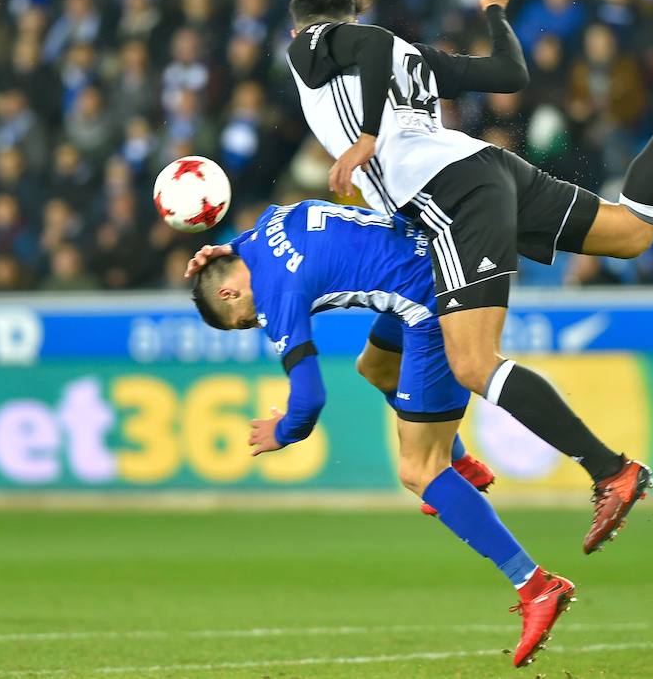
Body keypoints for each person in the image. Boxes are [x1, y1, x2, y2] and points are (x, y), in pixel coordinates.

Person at [282, 0, 653, 556]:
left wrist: (365, 136)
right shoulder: (410, 57)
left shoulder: (316, 41)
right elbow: (509, 73)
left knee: (473, 364)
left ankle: (609, 470)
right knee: (631, 233)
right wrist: (494, 14)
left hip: (448, 196)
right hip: (485, 169)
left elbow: (369, 41)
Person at [187, 198, 574, 668]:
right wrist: (215, 251)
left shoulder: (276, 295)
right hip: (437, 255)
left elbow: (309, 401)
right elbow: (238, 252)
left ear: (229, 294)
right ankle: (460, 462)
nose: (254, 324)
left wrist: (282, 432)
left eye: (243, 322)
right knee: (376, 365)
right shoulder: (266, 224)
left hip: (434, 300)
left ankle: (536, 587)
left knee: (417, 470)